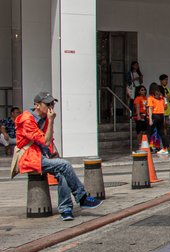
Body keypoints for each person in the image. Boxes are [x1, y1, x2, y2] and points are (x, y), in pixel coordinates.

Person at [13, 92, 103, 221]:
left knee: (62, 173)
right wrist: (51, 121)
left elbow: (50, 141)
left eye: (52, 104)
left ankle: (65, 209)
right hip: (29, 158)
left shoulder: (43, 118)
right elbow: (46, 141)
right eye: (47, 104)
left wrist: (54, 154)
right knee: (65, 165)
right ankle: (82, 197)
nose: (51, 107)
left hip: (41, 155)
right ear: (37, 105)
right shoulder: (27, 119)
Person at [146, 83, 169, 152]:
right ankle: (166, 147)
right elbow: (164, 107)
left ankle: (147, 148)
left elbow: (150, 108)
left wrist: (150, 119)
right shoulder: (162, 98)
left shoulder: (151, 98)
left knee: (149, 132)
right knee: (162, 132)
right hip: (161, 116)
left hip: (154, 115)